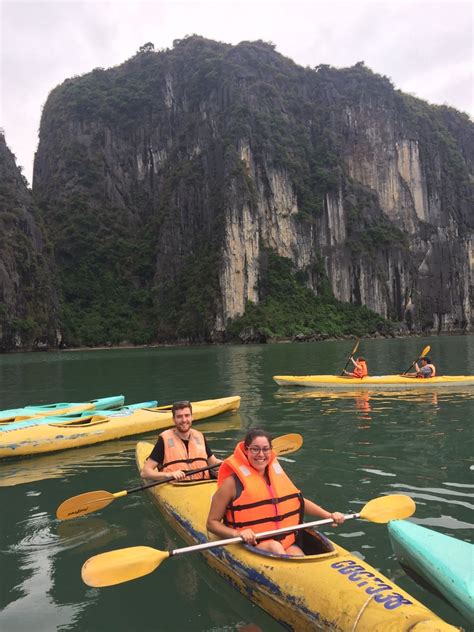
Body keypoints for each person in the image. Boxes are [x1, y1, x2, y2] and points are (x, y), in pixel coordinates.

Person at [206, 428, 345, 556]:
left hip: (286, 542)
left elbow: (297, 501)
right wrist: (238, 533)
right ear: (246, 450)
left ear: (271, 451)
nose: (261, 454)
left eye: (265, 449)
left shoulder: (276, 474)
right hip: (255, 543)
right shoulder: (232, 483)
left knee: (298, 555)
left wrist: (328, 515)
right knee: (275, 547)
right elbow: (212, 523)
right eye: (255, 449)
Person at [140, 400, 221, 481]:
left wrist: (228, 463)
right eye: (179, 417)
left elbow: (213, 463)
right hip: (178, 486)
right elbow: (145, 472)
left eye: (187, 415)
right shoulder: (164, 440)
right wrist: (169, 475)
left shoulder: (200, 437)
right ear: (173, 419)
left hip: (203, 485)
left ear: (192, 417)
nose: (184, 420)